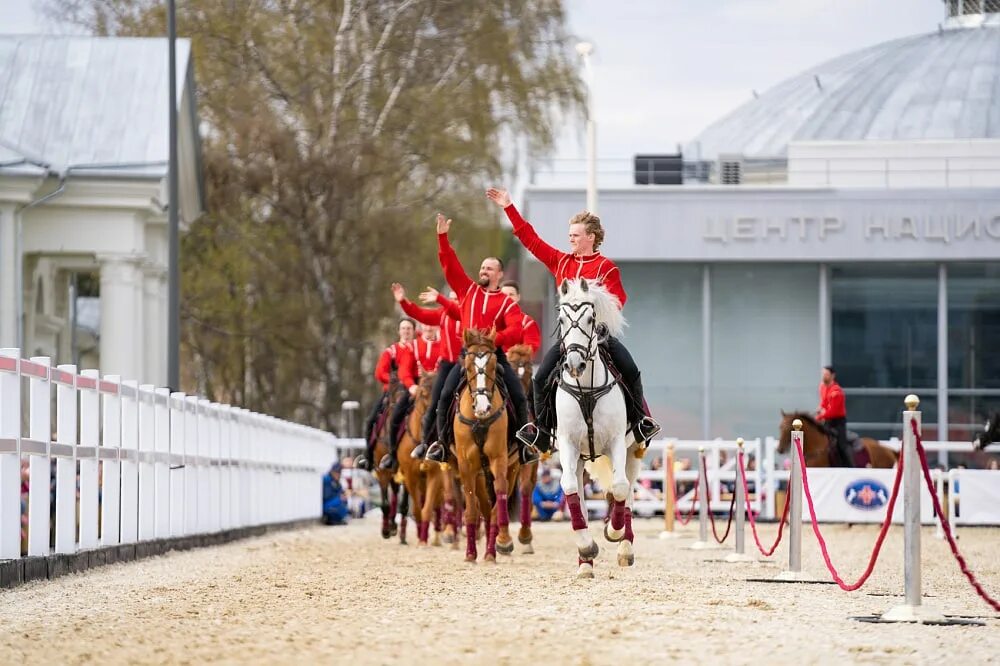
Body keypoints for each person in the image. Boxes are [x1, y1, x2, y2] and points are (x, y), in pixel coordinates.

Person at [485, 187, 661, 453]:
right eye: (570, 236)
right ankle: (542, 431)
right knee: (540, 377)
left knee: (631, 370)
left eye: (576, 236)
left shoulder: (606, 267)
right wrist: (509, 207)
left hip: (599, 337)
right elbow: (529, 239)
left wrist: (600, 321)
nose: (571, 240)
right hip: (569, 339)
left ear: (591, 237)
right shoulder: (560, 262)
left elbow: (618, 300)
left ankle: (640, 422)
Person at [422, 212, 535, 465]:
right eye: (482, 267)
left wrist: (498, 338)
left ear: (499, 274)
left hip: (495, 356)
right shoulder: (467, 290)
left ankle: (525, 443)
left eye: (489, 268)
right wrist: (442, 237)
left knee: (518, 393)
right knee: (445, 394)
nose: (483, 270)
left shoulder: (506, 302)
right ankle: (440, 444)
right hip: (468, 358)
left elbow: (516, 330)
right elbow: (450, 265)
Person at [395, 283, 462, 460]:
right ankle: (429, 444)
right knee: (436, 403)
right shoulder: (442, 315)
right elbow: (419, 314)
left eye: (458, 299)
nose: (455, 302)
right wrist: (403, 301)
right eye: (452, 298)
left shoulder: (468, 314)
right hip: (448, 366)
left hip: (468, 362)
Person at [380, 315, 444, 471]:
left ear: (436, 327)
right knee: (394, 416)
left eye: (432, 325)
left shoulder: (444, 345)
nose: (428, 328)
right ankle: (393, 455)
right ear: (421, 328)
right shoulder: (413, 346)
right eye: (426, 325)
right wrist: (411, 386)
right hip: (416, 387)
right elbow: (404, 371)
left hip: (439, 387)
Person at [356, 319, 418, 471]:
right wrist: (392, 379)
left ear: (414, 331)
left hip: (415, 390)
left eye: (409, 328)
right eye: (403, 328)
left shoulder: (418, 348)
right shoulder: (392, 351)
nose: (406, 331)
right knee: (371, 420)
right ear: (399, 331)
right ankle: (368, 456)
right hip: (393, 391)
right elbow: (379, 372)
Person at [816, 365, 851, 467]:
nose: (824, 377)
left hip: (837, 421)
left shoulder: (837, 392)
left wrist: (819, 417)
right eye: (823, 374)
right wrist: (820, 409)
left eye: (826, 374)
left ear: (832, 376)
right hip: (827, 419)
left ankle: (848, 464)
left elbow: (833, 411)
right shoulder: (822, 387)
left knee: (841, 445)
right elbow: (824, 402)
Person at [499, 280, 542, 356]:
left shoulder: (527, 322)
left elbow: (530, 347)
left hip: (516, 365)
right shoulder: (491, 321)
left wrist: (509, 355)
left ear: (518, 297)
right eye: (504, 295)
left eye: (511, 294)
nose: (508, 298)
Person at [321, 461, 349, 525]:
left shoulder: (337, 482)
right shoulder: (327, 479)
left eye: (339, 472)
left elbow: (342, 492)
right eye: (337, 472)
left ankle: (336, 520)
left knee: (343, 502)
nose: (338, 474)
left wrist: (343, 496)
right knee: (338, 502)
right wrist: (339, 497)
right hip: (327, 505)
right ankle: (331, 519)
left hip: (333, 502)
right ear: (332, 471)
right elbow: (326, 496)